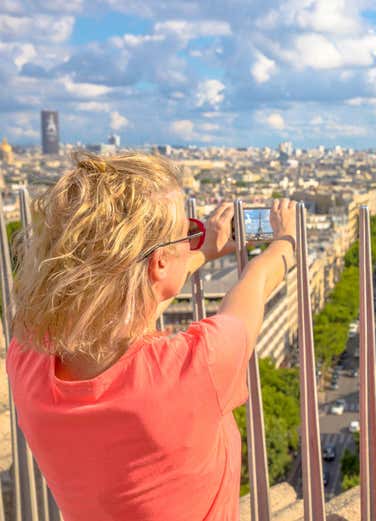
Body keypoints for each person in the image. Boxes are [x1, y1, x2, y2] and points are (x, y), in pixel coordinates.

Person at [6, 151, 296, 520]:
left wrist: (200, 251)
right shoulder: (191, 370)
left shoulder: (27, 356)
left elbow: (113, 301)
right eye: (185, 232)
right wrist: (285, 241)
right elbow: (254, 285)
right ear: (158, 262)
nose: (191, 239)